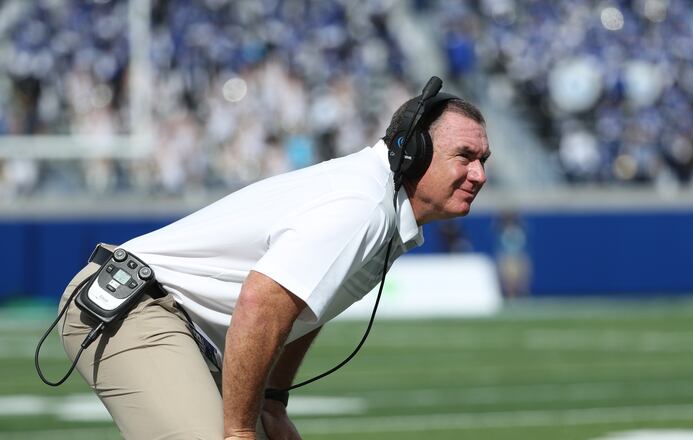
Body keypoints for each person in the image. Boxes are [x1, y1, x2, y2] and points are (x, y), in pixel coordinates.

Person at [57, 81, 490, 440]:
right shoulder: (363, 205)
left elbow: (302, 308)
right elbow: (261, 303)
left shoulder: (378, 203)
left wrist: (272, 403)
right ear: (412, 150)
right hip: (134, 305)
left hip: (175, 322)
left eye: (483, 161)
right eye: (465, 157)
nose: (479, 175)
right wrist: (241, 431)